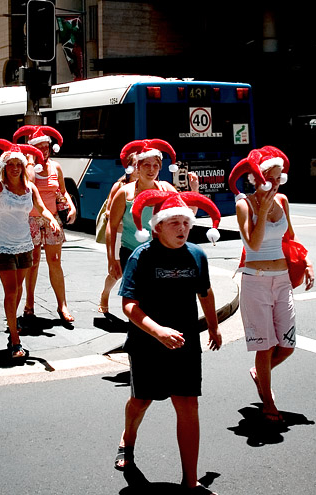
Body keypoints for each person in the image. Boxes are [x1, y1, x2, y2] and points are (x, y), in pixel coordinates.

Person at [114, 189, 222, 495]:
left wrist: (213, 328)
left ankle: (190, 481)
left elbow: (206, 293)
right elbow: (128, 305)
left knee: (188, 404)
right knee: (141, 400)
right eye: (174, 223)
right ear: (157, 226)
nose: (182, 229)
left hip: (185, 343)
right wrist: (158, 330)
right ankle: (128, 439)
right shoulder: (142, 256)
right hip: (147, 343)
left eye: (186, 223)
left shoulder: (197, 255)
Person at [228, 145, 314, 422]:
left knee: (286, 345)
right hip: (256, 281)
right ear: (258, 177)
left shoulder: (283, 202)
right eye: (271, 177)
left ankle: (259, 375)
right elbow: (252, 243)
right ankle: (268, 401)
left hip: (282, 280)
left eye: (281, 177)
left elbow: (289, 237)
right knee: (264, 347)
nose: (276, 183)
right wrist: (263, 209)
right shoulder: (245, 204)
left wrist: (307, 262)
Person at [0, 139, 61, 357]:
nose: (15, 168)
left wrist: (50, 219)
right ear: (5, 166)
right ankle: (15, 338)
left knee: (18, 289)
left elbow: (42, 208)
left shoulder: (30, 188)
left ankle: (12, 323)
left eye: (19, 164)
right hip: (4, 244)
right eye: (11, 164)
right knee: (11, 291)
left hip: (25, 244)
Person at [106, 139, 199, 293]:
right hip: (131, 252)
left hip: (160, 252)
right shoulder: (124, 193)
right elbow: (112, 226)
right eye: (147, 165)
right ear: (137, 167)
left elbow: (186, 217)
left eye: (155, 165)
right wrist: (111, 258)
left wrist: (194, 190)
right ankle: (105, 295)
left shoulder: (166, 189)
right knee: (133, 293)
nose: (151, 170)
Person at [12, 125, 76, 324]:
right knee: (32, 264)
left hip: (52, 220)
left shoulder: (56, 167)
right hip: (30, 221)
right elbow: (26, 185)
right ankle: (29, 304)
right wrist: (30, 162)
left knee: (55, 261)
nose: (44, 151)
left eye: (47, 146)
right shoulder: (25, 168)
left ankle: (62, 305)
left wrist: (71, 206)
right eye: (39, 147)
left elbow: (62, 191)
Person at [98, 152, 139, 314]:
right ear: (128, 167)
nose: (137, 168)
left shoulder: (148, 185)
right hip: (120, 236)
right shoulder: (119, 186)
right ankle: (105, 294)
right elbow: (108, 212)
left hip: (139, 235)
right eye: (135, 164)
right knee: (117, 273)